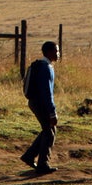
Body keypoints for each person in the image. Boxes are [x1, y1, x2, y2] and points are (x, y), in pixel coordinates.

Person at [21, 41, 59, 174]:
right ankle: (43, 164)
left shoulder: (42, 65)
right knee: (49, 131)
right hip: (40, 103)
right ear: (49, 52)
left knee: (47, 130)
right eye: (56, 51)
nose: (58, 54)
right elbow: (46, 92)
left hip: (35, 101)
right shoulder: (46, 68)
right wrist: (52, 112)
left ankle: (30, 156)